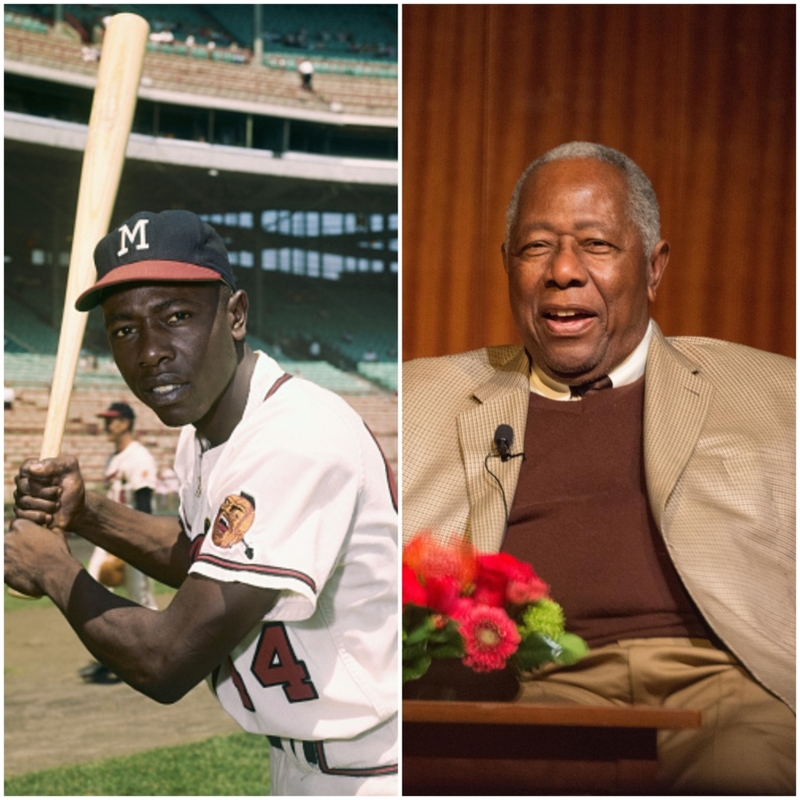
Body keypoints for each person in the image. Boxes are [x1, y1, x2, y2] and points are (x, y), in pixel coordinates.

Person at [402, 142, 795, 794]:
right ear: (507, 266)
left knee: (750, 769)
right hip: (547, 684)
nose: (563, 270)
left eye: (596, 245)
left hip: (727, 681)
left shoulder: (774, 396)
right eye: (536, 248)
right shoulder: (424, 401)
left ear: (652, 267)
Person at [7, 209, 398, 796]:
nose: (150, 352)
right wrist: (89, 513)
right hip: (307, 760)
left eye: (176, 317)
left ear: (235, 315)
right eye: (123, 329)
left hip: (372, 767)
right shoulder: (209, 430)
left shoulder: (295, 438)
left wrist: (54, 569)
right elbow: (201, 553)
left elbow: (167, 661)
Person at [81, 400, 159, 684]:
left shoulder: (139, 457)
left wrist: (131, 547)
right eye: (106, 420)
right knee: (94, 589)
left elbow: (144, 506)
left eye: (112, 420)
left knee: (140, 600)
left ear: (126, 422)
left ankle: (156, 655)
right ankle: (115, 656)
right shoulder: (113, 458)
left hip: (132, 538)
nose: (107, 425)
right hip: (109, 537)